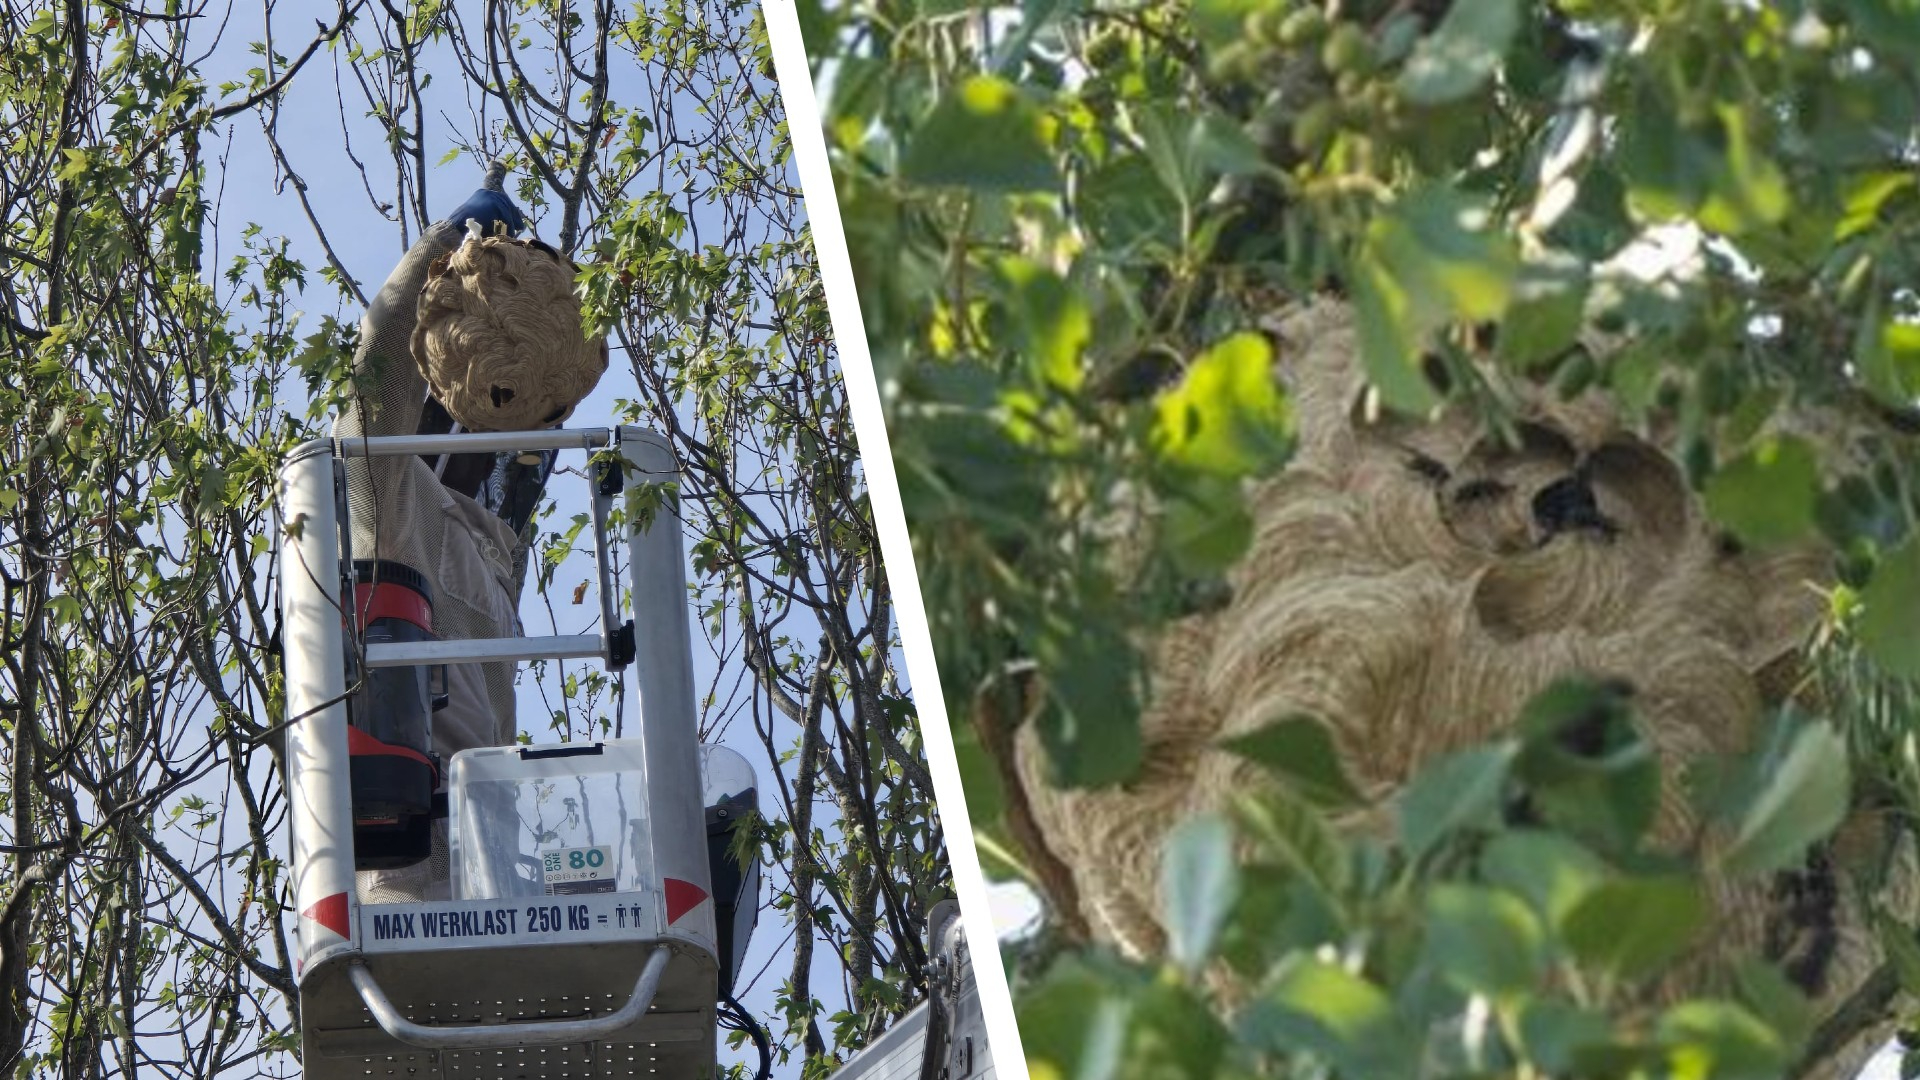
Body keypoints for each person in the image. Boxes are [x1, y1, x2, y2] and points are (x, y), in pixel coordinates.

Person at [337, 183, 531, 902]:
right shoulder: (394, 493)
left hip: (490, 882)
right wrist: (451, 242)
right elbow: (378, 369)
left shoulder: (492, 558)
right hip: (405, 874)